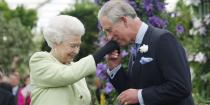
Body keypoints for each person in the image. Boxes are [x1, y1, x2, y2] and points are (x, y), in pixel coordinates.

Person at [98, 1, 194, 105]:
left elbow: (181, 86)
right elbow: (131, 94)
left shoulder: (162, 39)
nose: (109, 37)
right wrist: (115, 68)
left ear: (124, 20)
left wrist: (140, 96)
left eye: (109, 30)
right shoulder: (137, 45)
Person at [29, 15, 119, 105]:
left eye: (78, 45)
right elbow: (67, 74)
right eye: (73, 46)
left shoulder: (76, 68)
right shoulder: (39, 60)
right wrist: (105, 50)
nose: (76, 51)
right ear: (56, 42)